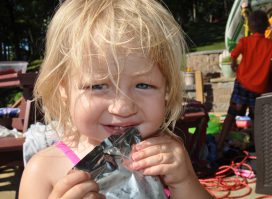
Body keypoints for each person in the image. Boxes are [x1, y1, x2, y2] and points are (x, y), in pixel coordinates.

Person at [18, 0, 212, 198]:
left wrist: (184, 181)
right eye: (98, 86)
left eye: (143, 85)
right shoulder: (42, 172)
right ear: (64, 89)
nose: (123, 108)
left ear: (166, 88)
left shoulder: (164, 154)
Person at [217, 10, 272, 156]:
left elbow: (233, 55)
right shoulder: (271, 44)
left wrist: (233, 65)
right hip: (260, 89)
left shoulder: (245, 41)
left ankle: (219, 147)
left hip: (242, 84)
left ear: (249, 27)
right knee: (257, 119)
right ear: (267, 27)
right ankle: (259, 150)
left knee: (231, 115)